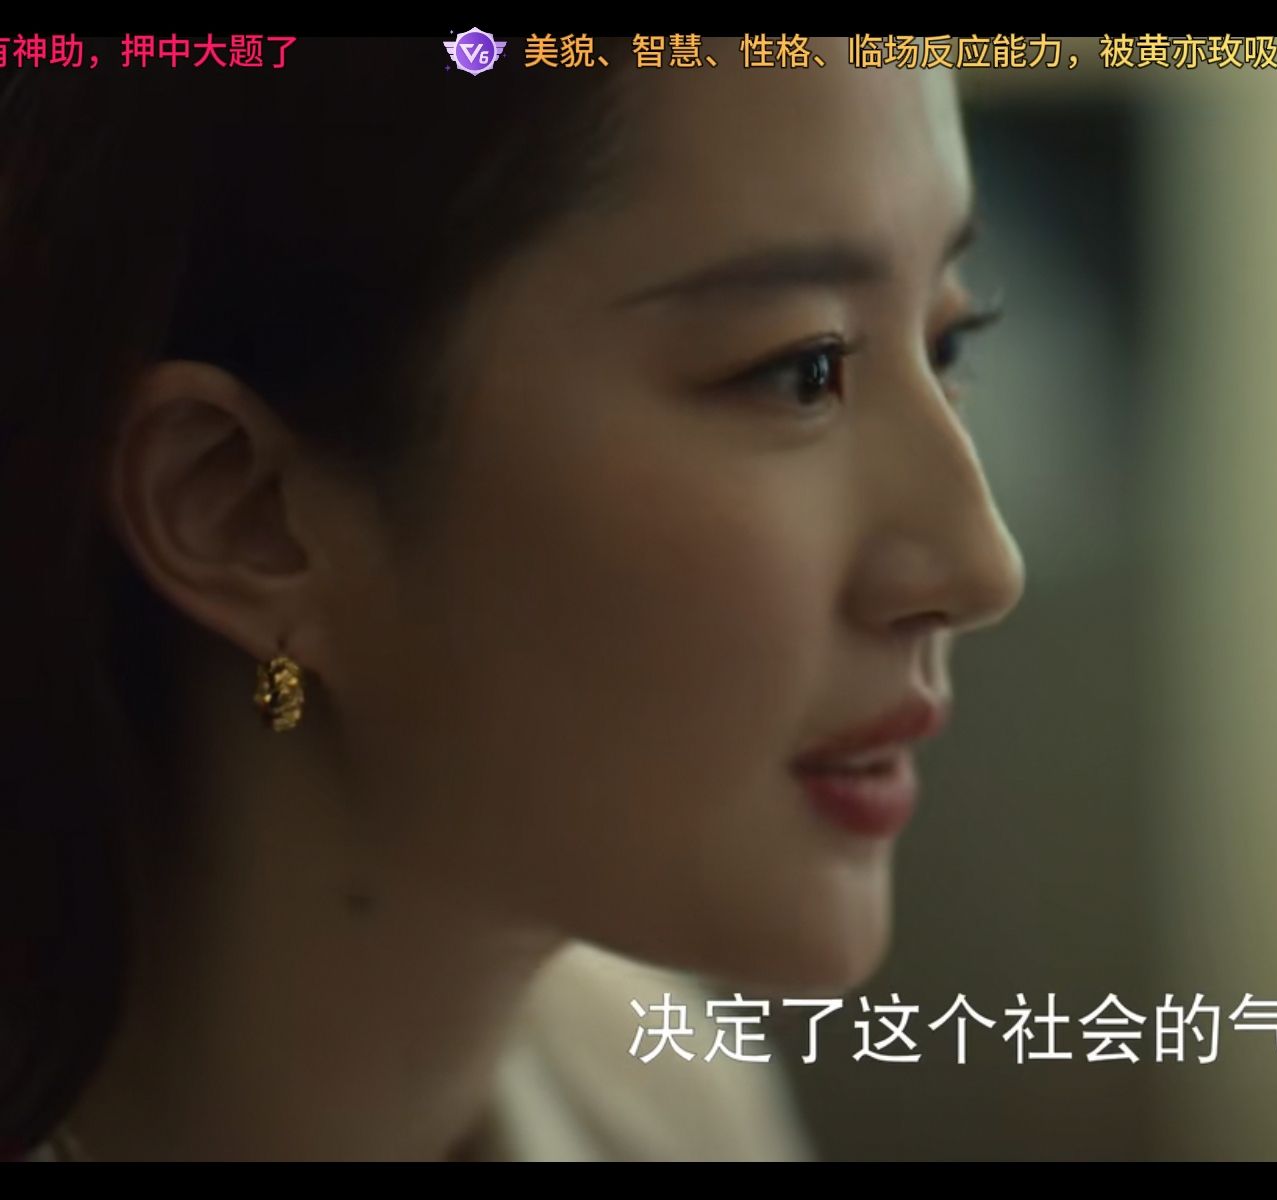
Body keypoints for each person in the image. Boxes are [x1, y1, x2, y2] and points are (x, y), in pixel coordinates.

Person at [0, 35, 1026, 1160]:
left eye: (949, 341)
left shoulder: (667, 1099)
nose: (981, 566)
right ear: (244, 511)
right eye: (800, 369)